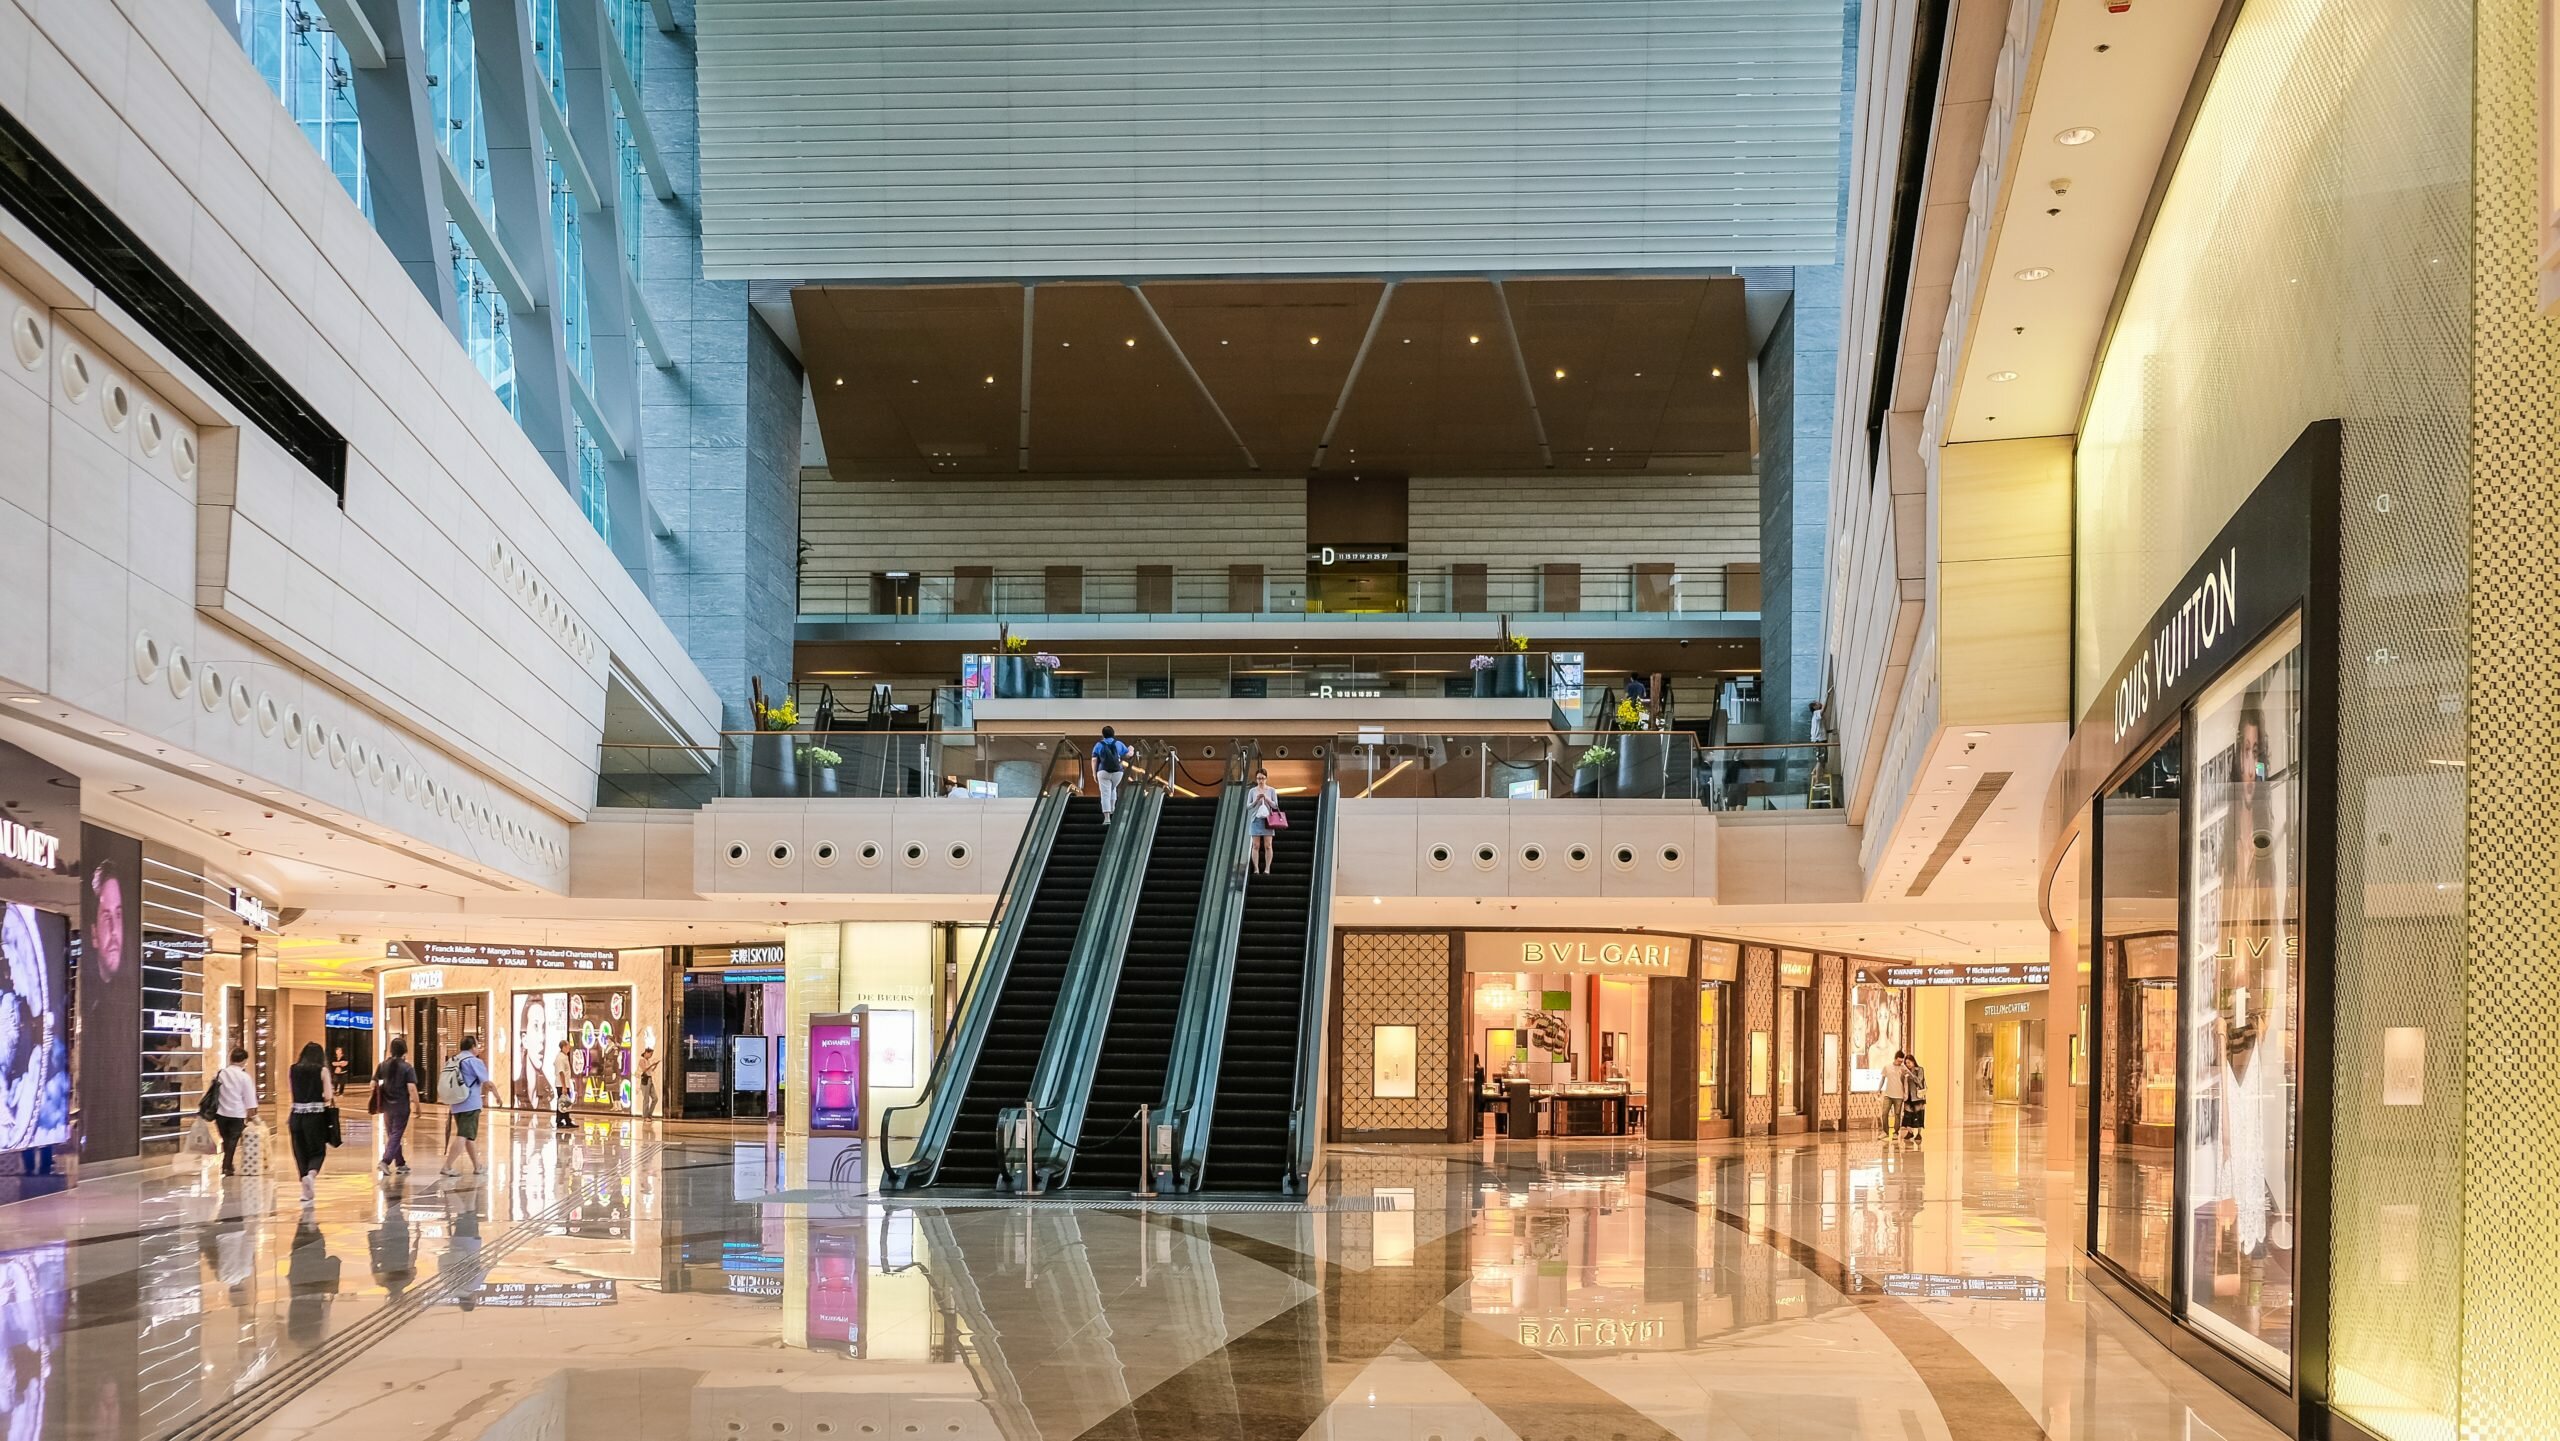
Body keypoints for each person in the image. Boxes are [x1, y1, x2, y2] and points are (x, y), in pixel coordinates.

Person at [286, 1041, 336, 1203]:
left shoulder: (293, 1069)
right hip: (315, 1117)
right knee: (317, 1151)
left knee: (299, 1151)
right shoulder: (322, 1071)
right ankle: (311, 1175)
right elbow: (328, 1096)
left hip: (295, 1116)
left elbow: (291, 1091)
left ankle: (305, 1189)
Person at [439, 1034, 490, 1179]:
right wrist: (498, 1096)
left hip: (456, 1103)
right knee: (463, 1135)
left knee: (468, 1136)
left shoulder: (454, 1059)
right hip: (470, 1103)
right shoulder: (474, 1061)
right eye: (477, 1045)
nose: (479, 1047)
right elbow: (487, 1082)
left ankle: (477, 1166)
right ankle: (447, 1166)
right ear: (473, 1047)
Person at [372, 1036, 418, 1176]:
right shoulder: (407, 1067)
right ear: (405, 1050)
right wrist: (418, 1105)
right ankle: (385, 1161)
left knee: (393, 1134)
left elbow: (373, 1083)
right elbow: (411, 1088)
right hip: (401, 1106)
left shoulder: (383, 1065)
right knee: (396, 1134)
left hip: (386, 1106)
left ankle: (400, 1163)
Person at [210, 1045, 259, 1177]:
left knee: (226, 1139)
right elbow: (249, 1097)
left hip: (220, 1113)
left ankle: (228, 1164)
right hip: (237, 1113)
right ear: (243, 1060)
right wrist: (252, 1113)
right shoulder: (244, 1077)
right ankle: (226, 1166)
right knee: (233, 1140)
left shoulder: (221, 1073)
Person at [1090, 726, 1133, 824]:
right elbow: (1128, 755)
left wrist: (1094, 773)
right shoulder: (1118, 743)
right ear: (1113, 733)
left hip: (1103, 771)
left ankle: (1107, 818)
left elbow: (1094, 760)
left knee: (1105, 794)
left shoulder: (1098, 745)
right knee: (1113, 789)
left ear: (1103, 734)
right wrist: (1131, 750)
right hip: (1118, 772)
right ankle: (1113, 807)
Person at [1244, 768, 1282, 875]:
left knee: (1268, 845)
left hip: (1268, 820)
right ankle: (1256, 868)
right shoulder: (1252, 791)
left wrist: (1267, 799)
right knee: (1255, 845)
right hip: (1256, 819)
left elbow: (1275, 805)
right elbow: (1248, 806)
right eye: (1258, 778)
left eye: (1262, 778)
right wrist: (1256, 800)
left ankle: (1267, 868)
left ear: (1266, 778)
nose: (1260, 781)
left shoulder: (1271, 790)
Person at [1881, 1051, 1909, 1142]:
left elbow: (1907, 1080)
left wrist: (1905, 1093)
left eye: (1901, 1061)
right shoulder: (1887, 1067)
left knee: (1897, 1115)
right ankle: (1885, 1131)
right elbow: (1882, 1079)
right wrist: (1878, 1089)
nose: (1900, 1063)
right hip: (1888, 1094)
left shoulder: (1903, 1068)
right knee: (1884, 1113)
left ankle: (1896, 1132)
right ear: (1895, 1058)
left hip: (1899, 1095)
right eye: (1898, 1061)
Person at [1901, 1054, 1927, 1145]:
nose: (1908, 1065)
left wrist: (1910, 1073)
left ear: (1913, 1061)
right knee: (1907, 1115)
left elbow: (1919, 1081)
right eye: (1906, 1063)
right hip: (1908, 1096)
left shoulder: (1919, 1070)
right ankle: (1910, 1132)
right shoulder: (1906, 1072)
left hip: (1917, 1096)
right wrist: (1903, 1075)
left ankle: (1919, 1134)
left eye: (1909, 1062)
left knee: (1919, 1115)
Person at [552, 1039, 576, 1130]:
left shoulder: (564, 1056)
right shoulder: (560, 1058)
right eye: (567, 1046)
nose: (569, 1047)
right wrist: (564, 1086)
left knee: (565, 1103)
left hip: (565, 1084)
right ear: (563, 1047)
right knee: (562, 1103)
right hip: (561, 1085)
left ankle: (567, 1121)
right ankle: (559, 1121)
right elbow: (561, 1072)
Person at [637, 1046, 660, 1118]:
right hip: (645, 1080)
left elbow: (650, 1071)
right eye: (650, 1054)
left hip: (650, 1080)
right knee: (646, 1099)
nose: (651, 1056)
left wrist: (655, 1065)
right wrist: (652, 1065)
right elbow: (644, 1070)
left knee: (655, 1098)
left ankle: (649, 1114)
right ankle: (645, 1115)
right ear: (646, 1053)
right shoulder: (642, 1060)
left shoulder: (648, 1061)